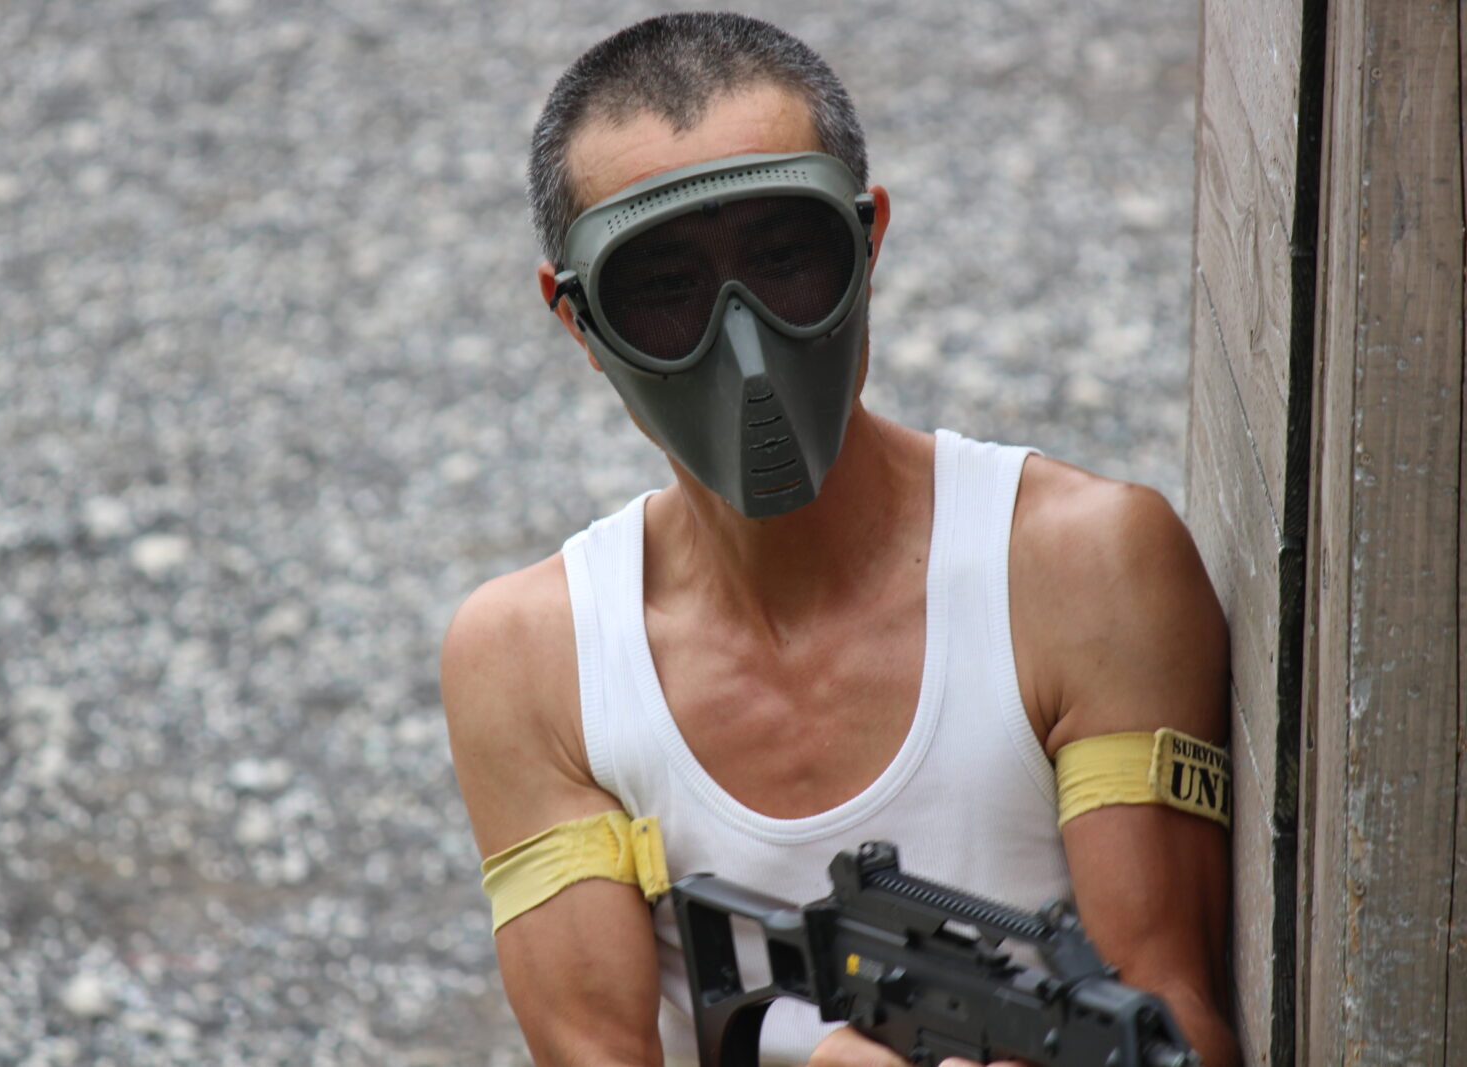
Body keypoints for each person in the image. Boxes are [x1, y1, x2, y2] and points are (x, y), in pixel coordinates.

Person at [442, 13, 1239, 1067]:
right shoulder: (532, 659)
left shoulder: (1084, 567)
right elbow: (596, 1049)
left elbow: (1172, 1009)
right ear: (578, 319)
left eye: (784, 257)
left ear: (866, 242)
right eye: (666, 287)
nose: (745, 341)